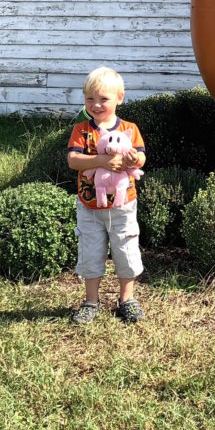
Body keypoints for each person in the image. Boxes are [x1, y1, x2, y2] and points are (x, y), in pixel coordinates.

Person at [67, 67, 147, 324]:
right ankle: (91, 301)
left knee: (125, 249)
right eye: (90, 99)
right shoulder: (81, 130)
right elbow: (73, 160)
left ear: (119, 98)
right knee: (91, 252)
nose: (96, 104)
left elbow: (141, 156)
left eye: (103, 98)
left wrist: (135, 158)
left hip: (123, 206)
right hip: (89, 206)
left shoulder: (129, 128)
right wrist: (101, 160)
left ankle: (127, 299)